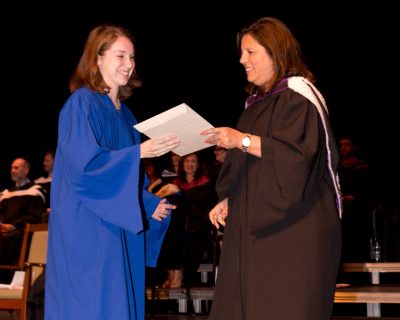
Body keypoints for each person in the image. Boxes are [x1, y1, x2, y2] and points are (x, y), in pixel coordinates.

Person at [201, 17, 342, 320]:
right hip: (257, 232)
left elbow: (295, 160)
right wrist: (231, 198)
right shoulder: (259, 104)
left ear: (275, 52)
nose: (242, 60)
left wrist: (241, 140)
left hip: (293, 232)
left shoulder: (297, 98)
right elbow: (254, 166)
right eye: (241, 53)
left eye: (251, 52)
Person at [45, 25, 180, 320]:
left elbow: (131, 178)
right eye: (120, 56)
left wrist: (149, 203)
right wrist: (140, 152)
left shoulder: (126, 114)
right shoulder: (82, 103)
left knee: (122, 301)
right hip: (90, 225)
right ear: (97, 59)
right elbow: (85, 167)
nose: (129, 64)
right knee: (95, 304)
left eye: (132, 57)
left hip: (120, 221)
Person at [0, 157, 46, 282]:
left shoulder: (35, 191)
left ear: (26, 170)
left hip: (22, 231)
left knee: (6, 239)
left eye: (16, 168)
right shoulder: (5, 193)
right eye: (11, 168)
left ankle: (5, 278)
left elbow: (34, 216)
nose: (13, 171)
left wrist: (13, 226)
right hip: (5, 231)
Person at [34, 150, 55, 217]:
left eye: (47, 161)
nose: (44, 163)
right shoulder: (38, 182)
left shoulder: (63, 182)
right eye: (44, 161)